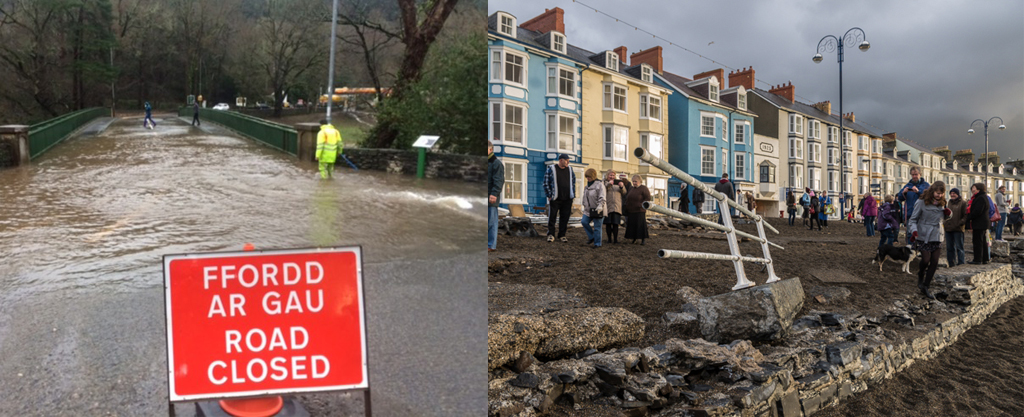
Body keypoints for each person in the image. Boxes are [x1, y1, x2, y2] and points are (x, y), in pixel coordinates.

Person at [908, 181, 948, 299]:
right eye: (937, 193)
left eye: (941, 193)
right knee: (926, 260)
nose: (939, 195)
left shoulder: (942, 202)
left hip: (937, 234)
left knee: (935, 261)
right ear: (932, 191)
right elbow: (913, 219)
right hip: (924, 234)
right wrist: (914, 231)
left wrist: (948, 214)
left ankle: (926, 286)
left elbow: (942, 218)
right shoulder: (921, 202)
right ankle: (921, 274)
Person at [542, 154, 576, 243]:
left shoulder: (570, 169)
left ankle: (562, 235)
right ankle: (551, 234)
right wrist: (549, 195)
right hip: (555, 198)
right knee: (552, 217)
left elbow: (573, 182)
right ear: (561, 160)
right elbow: (546, 183)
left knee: (565, 217)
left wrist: (573, 194)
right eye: (567, 160)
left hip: (567, 198)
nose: (568, 162)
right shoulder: (551, 169)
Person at [898, 167, 929, 243]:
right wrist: (904, 193)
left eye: (916, 174)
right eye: (913, 175)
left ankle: (921, 252)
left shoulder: (926, 185)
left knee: (922, 234)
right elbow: (899, 197)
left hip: (922, 215)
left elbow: (929, 197)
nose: (914, 176)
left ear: (920, 174)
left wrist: (918, 192)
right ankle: (911, 252)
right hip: (910, 215)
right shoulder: (907, 185)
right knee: (910, 234)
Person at [965, 183, 991, 264]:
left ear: (979, 189)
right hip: (982, 222)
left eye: (974, 188)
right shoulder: (983, 197)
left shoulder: (980, 198)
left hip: (979, 223)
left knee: (978, 241)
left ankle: (978, 259)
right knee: (982, 241)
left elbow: (977, 211)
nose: (972, 190)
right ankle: (985, 258)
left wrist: (969, 217)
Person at [580, 168, 606, 249]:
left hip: (598, 209)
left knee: (597, 227)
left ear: (593, 176)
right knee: (584, 222)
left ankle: (597, 244)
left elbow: (602, 196)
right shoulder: (587, 186)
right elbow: (585, 197)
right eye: (587, 177)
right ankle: (592, 237)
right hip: (588, 210)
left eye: (589, 177)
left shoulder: (599, 185)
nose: (588, 178)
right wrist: (584, 204)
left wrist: (600, 206)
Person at [624, 174, 652, 244]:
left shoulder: (644, 188)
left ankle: (643, 239)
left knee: (640, 225)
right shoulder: (631, 188)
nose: (634, 183)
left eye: (635, 181)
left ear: (640, 181)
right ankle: (634, 238)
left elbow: (647, 198)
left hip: (640, 210)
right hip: (631, 210)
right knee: (632, 225)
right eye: (633, 181)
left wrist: (641, 205)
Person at [944, 188, 968, 266]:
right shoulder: (948, 203)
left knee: (959, 247)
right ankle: (951, 262)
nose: (952, 195)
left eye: (954, 193)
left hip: (958, 228)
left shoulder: (963, 203)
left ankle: (961, 262)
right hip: (948, 228)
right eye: (951, 193)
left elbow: (966, 215)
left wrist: (960, 223)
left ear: (957, 194)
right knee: (949, 247)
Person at [487, 142, 504, 252]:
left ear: (490, 149)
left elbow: (499, 180)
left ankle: (491, 245)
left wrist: (494, 194)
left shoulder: (496, 163)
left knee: (491, 222)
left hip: (491, 196)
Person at [603, 170, 627, 244]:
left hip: (617, 207)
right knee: (608, 224)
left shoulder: (618, 183)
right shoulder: (604, 183)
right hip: (608, 207)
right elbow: (603, 191)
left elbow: (624, 193)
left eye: (613, 175)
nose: (612, 177)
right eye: (610, 175)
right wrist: (609, 184)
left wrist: (622, 187)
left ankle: (615, 240)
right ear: (607, 176)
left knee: (616, 224)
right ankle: (609, 239)